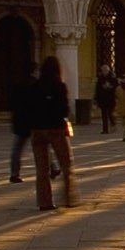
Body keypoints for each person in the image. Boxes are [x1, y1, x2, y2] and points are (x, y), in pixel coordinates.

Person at [26, 57, 77, 211]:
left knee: (42, 170)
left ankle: (44, 202)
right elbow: (64, 109)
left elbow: (30, 108)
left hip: (38, 130)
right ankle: (68, 198)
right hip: (56, 129)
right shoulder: (59, 86)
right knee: (66, 165)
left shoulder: (35, 86)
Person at [93, 69, 117, 134]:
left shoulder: (112, 78)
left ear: (108, 71)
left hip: (110, 99)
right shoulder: (100, 78)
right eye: (103, 71)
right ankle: (105, 129)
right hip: (102, 100)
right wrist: (96, 99)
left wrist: (110, 87)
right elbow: (97, 89)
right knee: (104, 116)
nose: (104, 72)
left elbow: (116, 88)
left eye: (105, 70)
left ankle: (113, 123)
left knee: (110, 113)